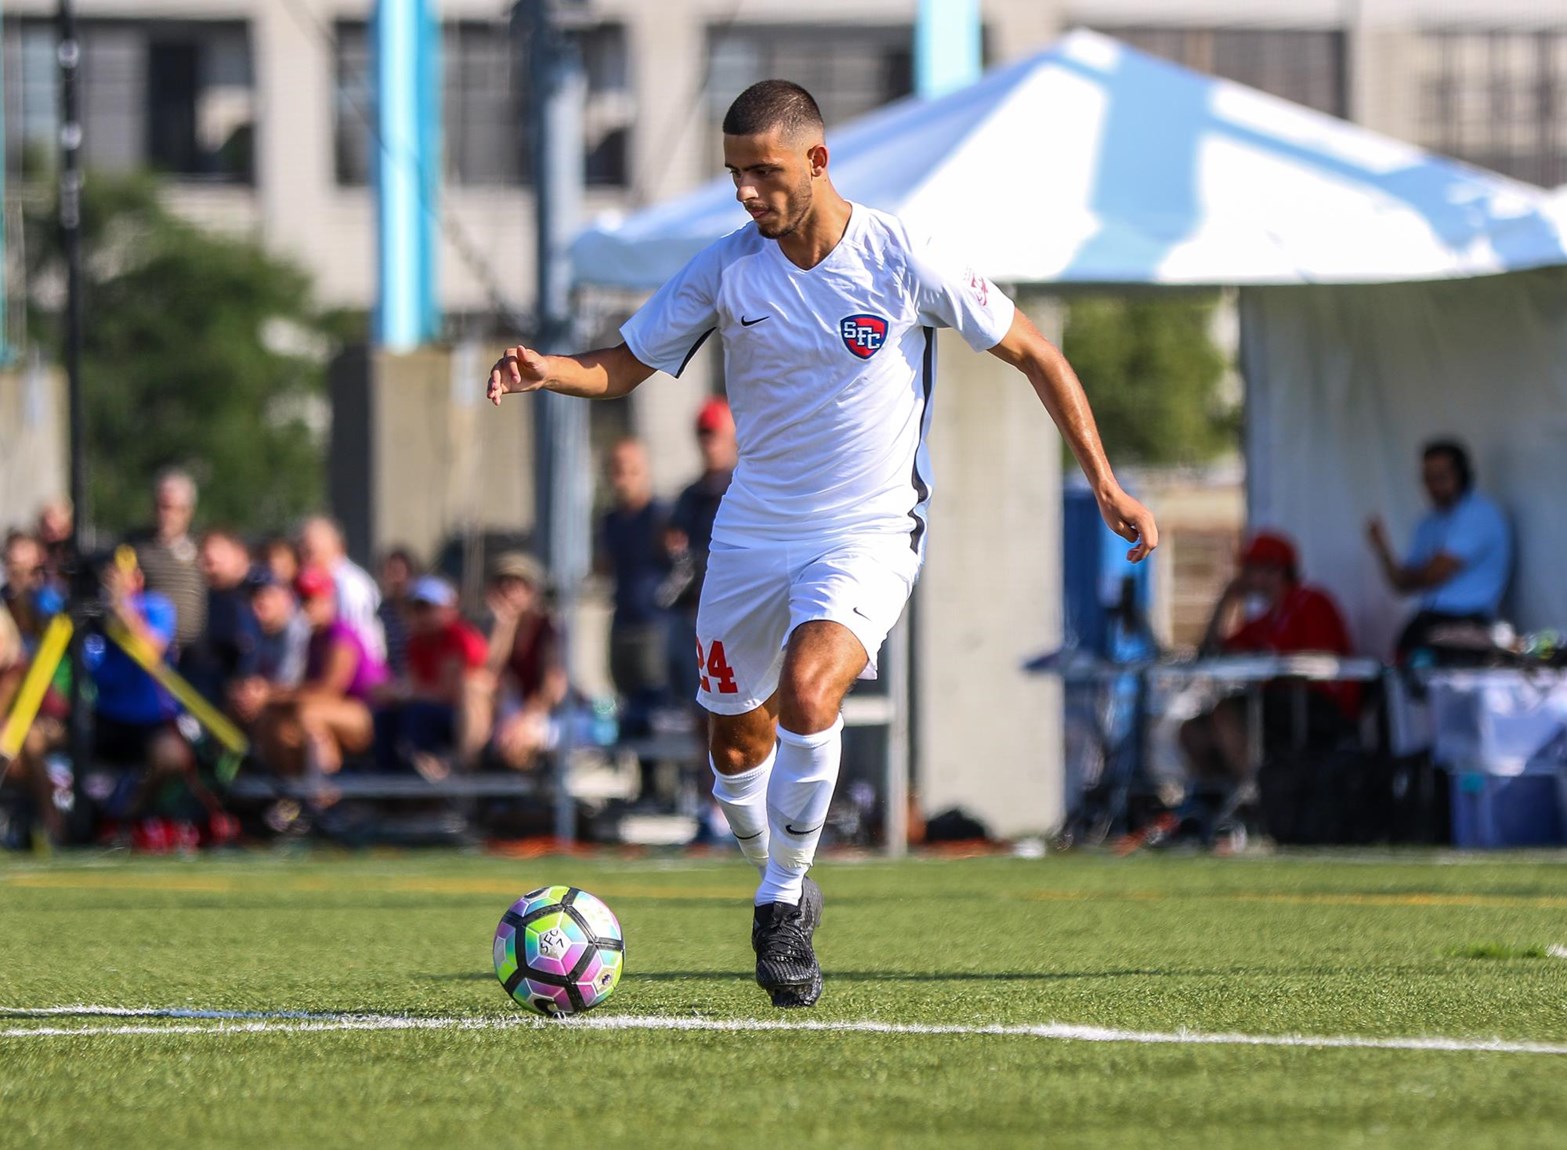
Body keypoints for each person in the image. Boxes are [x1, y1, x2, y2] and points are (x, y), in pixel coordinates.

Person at [486, 80, 1155, 1008]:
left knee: (810, 690)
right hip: (752, 532)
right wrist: (546, 369)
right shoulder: (726, 268)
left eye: (763, 172)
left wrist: (1106, 482)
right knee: (731, 748)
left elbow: (1037, 353)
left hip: (870, 527)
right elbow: (626, 361)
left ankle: (781, 903)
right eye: (734, 175)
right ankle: (775, 866)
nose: (747, 193)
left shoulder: (902, 256)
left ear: (816, 160)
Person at [1179, 531, 1357, 788]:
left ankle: (1257, 799)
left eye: (1251, 568)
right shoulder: (1267, 617)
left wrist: (1274, 661)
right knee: (1194, 731)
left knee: (1226, 713)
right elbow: (1211, 648)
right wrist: (1225, 600)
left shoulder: (1311, 601)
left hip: (1317, 705)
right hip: (1280, 704)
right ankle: (1222, 802)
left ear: (1274, 570)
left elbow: (1325, 658)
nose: (1245, 578)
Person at [1366, 439, 1513, 661]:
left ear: (1462, 476)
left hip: (1466, 626)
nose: (1433, 487)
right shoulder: (1428, 522)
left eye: (1441, 478)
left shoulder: (1479, 514)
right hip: (1429, 622)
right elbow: (1401, 583)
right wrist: (1383, 551)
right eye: (1428, 479)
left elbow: (1435, 573)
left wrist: (1416, 575)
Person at [252, 565, 388, 777]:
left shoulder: (341, 635)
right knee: (275, 721)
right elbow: (307, 688)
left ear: (330, 600)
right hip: (340, 709)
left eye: (312, 599)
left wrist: (271, 695)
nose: (306, 606)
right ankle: (290, 791)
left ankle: (324, 791)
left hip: (371, 713)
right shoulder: (314, 638)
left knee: (309, 714)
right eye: (302, 599)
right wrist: (272, 701)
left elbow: (329, 690)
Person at [596, 437, 674, 802]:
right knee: (627, 708)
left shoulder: (660, 516)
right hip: (622, 622)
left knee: (655, 708)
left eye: (630, 470)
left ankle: (662, 788)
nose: (623, 479)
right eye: (617, 471)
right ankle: (641, 787)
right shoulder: (611, 521)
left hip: (652, 626)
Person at [376, 575, 492, 776]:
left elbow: (450, 693)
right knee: (385, 717)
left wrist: (406, 694)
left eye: (427, 608)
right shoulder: (416, 641)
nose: (421, 615)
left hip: (463, 717)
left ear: (448, 608)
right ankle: (389, 787)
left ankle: (429, 774)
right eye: (417, 608)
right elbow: (414, 683)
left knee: (418, 714)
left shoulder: (459, 638)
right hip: (432, 706)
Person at [663, 398, 738, 708]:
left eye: (713, 434)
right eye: (702, 434)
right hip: (693, 613)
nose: (707, 443)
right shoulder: (690, 495)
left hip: (734, 610)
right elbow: (674, 545)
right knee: (696, 705)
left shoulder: (741, 487)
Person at [484, 553, 567, 772]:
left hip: (547, 711)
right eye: (503, 585)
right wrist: (504, 625)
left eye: (517, 585)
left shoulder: (548, 627)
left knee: (519, 738)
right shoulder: (500, 626)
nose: (509, 592)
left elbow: (553, 684)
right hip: (514, 708)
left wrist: (525, 718)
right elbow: (490, 674)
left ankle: (528, 796)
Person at [129, 467, 207, 653]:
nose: (165, 515)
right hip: (151, 650)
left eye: (171, 508)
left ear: (187, 511)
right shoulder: (138, 549)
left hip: (194, 654)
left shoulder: (201, 550)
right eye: (160, 507)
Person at [298, 516, 388, 665]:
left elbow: (352, 641)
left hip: (358, 674)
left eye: (310, 552)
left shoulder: (350, 585)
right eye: (302, 552)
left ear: (336, 547)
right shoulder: (314, 582)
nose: (305, 560)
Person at [376, 546, 420, 679]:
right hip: (391, 680)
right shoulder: (382, 612)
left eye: (398, 572)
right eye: (389, 572)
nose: (395, 579)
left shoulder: (421, 609)